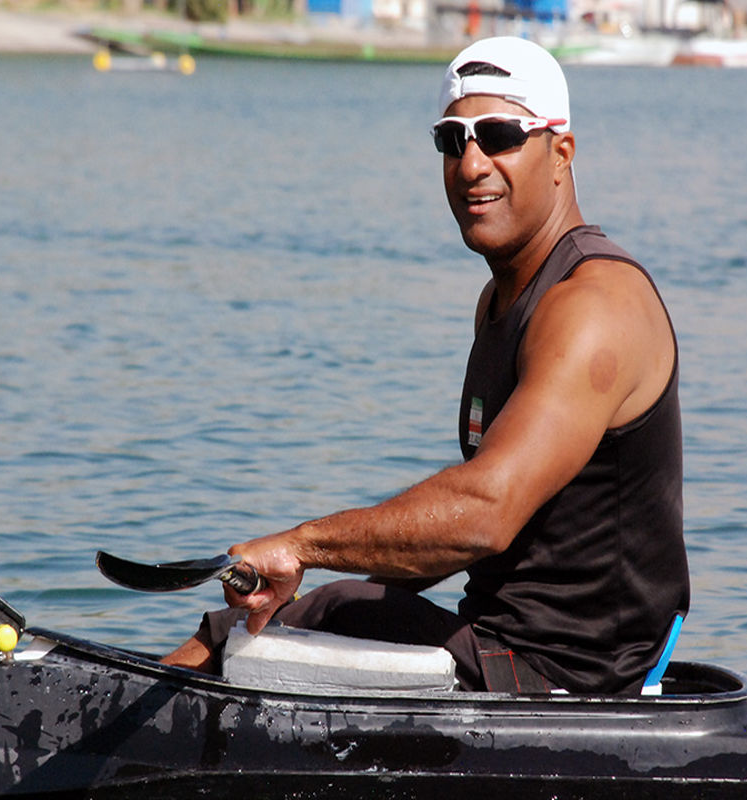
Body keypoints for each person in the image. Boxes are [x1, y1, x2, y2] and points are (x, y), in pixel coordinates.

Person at [163, 36, 689, 695]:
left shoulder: (593, 307)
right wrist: (301, 583)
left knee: (305, 620)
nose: (472, 165)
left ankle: (116, 724)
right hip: (501, 649)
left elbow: (484, 512)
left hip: (567, 684)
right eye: (452, 140)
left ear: (562, 153)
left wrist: (303, 548)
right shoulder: (501, 304)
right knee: (286, 615)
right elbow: (471, 530)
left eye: (499, 135)